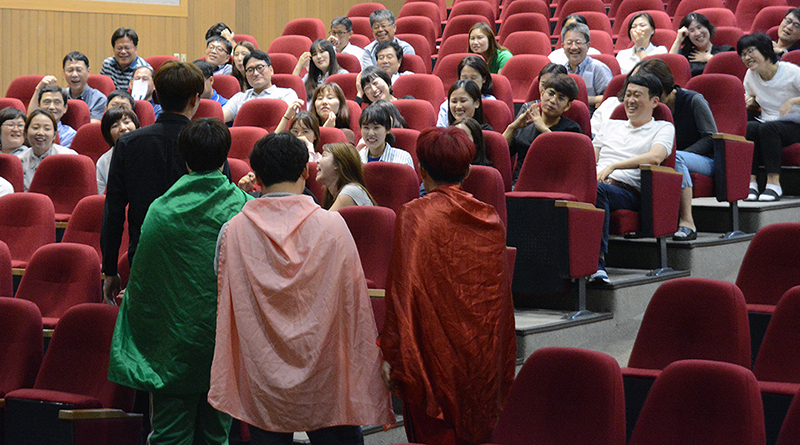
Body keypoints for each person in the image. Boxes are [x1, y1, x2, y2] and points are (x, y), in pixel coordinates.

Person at [208, 132, 394, 444]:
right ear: (306, 171)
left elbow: (222, 284)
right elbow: (350, 300)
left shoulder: (232, 230)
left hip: (262, 368)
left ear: (258, 177)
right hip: (323, 363)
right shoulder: (333, 225)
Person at [108, 118, 249, 445]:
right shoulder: (245, 208)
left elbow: (143, 284)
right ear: (225, 157)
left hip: (173, 345)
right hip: (224, 342)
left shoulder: (161, 210)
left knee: (170, 435)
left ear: (184, 158)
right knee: (216, 434)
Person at [380, 126, 516, 445]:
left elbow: (403, 292)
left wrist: (394, 355)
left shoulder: (414, 215)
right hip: (482, 349)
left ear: (421, 169)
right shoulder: (489, 218)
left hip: (432, 353)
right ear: (467, 171)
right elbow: (498, 301)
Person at [100, 61, 215, 304]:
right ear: (195, 99)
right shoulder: (208, 143)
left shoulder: (127, 144)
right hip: (195, 260)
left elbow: (114, 211)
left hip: (145, 255)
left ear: (156, 96)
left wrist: (110, 269)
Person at [592, 73, 674, 283]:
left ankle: (596, 265)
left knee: (598, 191)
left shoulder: (663, 127)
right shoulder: (611, 125)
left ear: (654, 101)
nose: (630, 100)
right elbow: (591, 157)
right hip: (598, 182)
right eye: (628, 94)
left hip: (628, 191)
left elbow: (655, 157)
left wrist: (613, 166)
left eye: (637, 95)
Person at [739, 32, 800, 201]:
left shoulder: (791, 72)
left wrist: (792, 101)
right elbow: (751, 98)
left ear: (765, 50)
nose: (746, 57)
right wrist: (750, 102)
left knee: (768, 128)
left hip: (795, 124)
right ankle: (751, 183)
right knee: (750, 127)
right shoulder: (751, 75)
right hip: (769, 123)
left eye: (750, 51)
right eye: (743, 54)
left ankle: (774, 184)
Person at [504, 73, 582, 183]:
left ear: (567, 106)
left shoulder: (572, 129)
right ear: (542, 94)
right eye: (551, 94)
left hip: (553, 185)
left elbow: (565, 162)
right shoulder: (526, 123)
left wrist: (543, 129)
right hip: (520, 184)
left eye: (560, 98)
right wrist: (512, 128)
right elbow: (500, 154)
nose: (553, 101)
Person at [222, 50, 299, 123]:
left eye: (260, 68)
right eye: (250, 70)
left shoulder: (287, 94)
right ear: (246, 75)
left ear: (271, 70)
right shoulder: (239, 98)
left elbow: (291, 122)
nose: (255, 73)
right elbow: (220, 117)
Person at [15, 109, 78, 191]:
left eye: (47, 129)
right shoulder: (19, 161)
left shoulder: (68, 157)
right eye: (35, 128)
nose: (40, 133)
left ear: (54, 135)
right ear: (26, 133)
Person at [562, 21, 612, 108]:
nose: (574, 47)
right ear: (563, 46)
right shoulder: (562, 71)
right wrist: (595, 100)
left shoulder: (598, 68)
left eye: (578, 42)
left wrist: (581, 100)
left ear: (588, 46)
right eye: (569, 43)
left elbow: (610, 98)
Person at [436, 55, 496, 127]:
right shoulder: (446, 105)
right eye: (464, 78)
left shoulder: (491, 101)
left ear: (484, 79)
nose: (468, 82)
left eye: (473, 78)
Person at [670, 12, 734, 77]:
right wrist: (678, 40)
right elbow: (668, 68)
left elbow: (732, 71)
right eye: (691, 30)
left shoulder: (725, 51)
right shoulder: (684, 55)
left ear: (708, 28)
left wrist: (710, 58)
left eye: (699, 27)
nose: (697, 33)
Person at [317, 142, 376, 210]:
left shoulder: (350, 191)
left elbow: (324, 217)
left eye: (324, 155)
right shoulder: (332, 194)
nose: (317, 161)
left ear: (338, 164)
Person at [97, 107, 141, 194]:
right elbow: (101, 195)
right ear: (108, 135)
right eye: (115, 126)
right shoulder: (104, 161)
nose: (123, 128)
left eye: (127, 122)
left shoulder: (149, 151)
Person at [358, 101, 414, 168]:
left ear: (387, 129)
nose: (370, 133)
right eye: (366, 128)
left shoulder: (403, 159)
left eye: (376, 128)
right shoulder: (358, 159)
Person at [62, 52, 107, 122]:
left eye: (79, 70)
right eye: (70, 70)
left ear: (88, 71)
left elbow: (91, 127)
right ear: (64, 72)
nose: (74, 75)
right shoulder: (60, 97)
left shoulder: (98, 99)